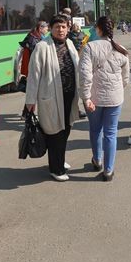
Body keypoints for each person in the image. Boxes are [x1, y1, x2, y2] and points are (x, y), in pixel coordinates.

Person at [25, 14, 81, 182]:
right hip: (51, 97)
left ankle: (59, 160)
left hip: (69, 96)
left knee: (65, 130)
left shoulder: (70, 43)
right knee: (55, 133)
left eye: (64, 27)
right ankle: (56, 169)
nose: (61, 30)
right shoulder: (42, 47)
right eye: (57, 27)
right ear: (51, 28)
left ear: (68, 28)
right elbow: (33, 76)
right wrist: (30, 101)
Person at [78, 16, 129, 181]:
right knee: (111, 133)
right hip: (115, 98)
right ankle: (108, 170)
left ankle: (97, 160)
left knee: (95, 130)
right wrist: (117, 90)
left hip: (94, 98)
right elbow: (125, 78)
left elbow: (85, 75)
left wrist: (86, 97)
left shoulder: (90, 47)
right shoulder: (121, 49)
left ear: (98, 29)